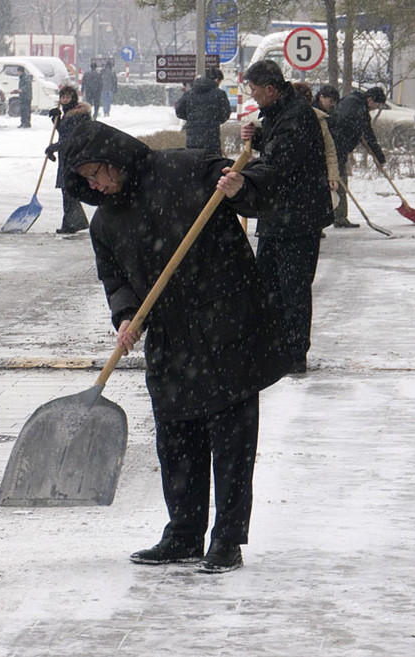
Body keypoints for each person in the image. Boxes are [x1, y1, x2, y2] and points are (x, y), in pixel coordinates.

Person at [60, 120, 291, 573]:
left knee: (231, 441)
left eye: (98, 172)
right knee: (176, 439)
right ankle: (184, 533)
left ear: (115, 157)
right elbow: (115, 278)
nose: (96, 184)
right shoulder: (105, 222)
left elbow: (265, 187)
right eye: (86, 179)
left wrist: (240, 185)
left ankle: (226, 539)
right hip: (170, 336)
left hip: (227, 324)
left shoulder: (187, 167)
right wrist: (126, 315)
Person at [236, 60, 335, 375]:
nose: (252, 98)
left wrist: (240, 177)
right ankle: (274, 349)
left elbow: (280, 164)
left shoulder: (298, 116)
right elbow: (277, 149)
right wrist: (260, 137)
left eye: (254, 91)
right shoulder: (282, 112)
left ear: (269, 89)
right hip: (278, 216)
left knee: (292, 289)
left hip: (298, 219)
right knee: (268, 287)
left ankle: (294, 355)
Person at [327, 86, 387, 228]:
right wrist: (379, 156)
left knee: (334, 181)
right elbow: (368, 134)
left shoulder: (350, 100)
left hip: (331, 145)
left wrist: (356, 132)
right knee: (339, 182)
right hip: (336, 148)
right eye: (376, 104)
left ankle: (333, 216)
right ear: (370, 100)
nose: (375, 108)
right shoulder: (360, 109)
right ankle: (339, 217)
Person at [44, 85, 92, 234]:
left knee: (69, 189)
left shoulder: (78, 114)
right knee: (68, 190)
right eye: (62, 97)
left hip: (75, 155)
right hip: (67, 155)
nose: (64, 100)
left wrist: (54, 147)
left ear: (73, 98)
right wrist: (55, 119)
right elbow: (64, 132)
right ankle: (74, 222)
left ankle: (71, 224)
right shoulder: (68, 113)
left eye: (67, 97)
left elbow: (72, 138)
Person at [293, 82, 342, 220]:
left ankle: (314, 226)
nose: (331, 105)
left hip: (313, 174)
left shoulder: (320, 118)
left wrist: (332, 175)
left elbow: (329, 149)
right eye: (330, 101)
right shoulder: (282, 119)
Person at [174, 67, 232, 155]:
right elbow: (225, 114)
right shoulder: (220, 94)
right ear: (217, 80)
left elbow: (179, 111)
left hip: (192, 142)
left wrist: (192, 118)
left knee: (194, 166)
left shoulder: (189, 94)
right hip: (212, 142)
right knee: (212, 166)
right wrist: (214, 120)